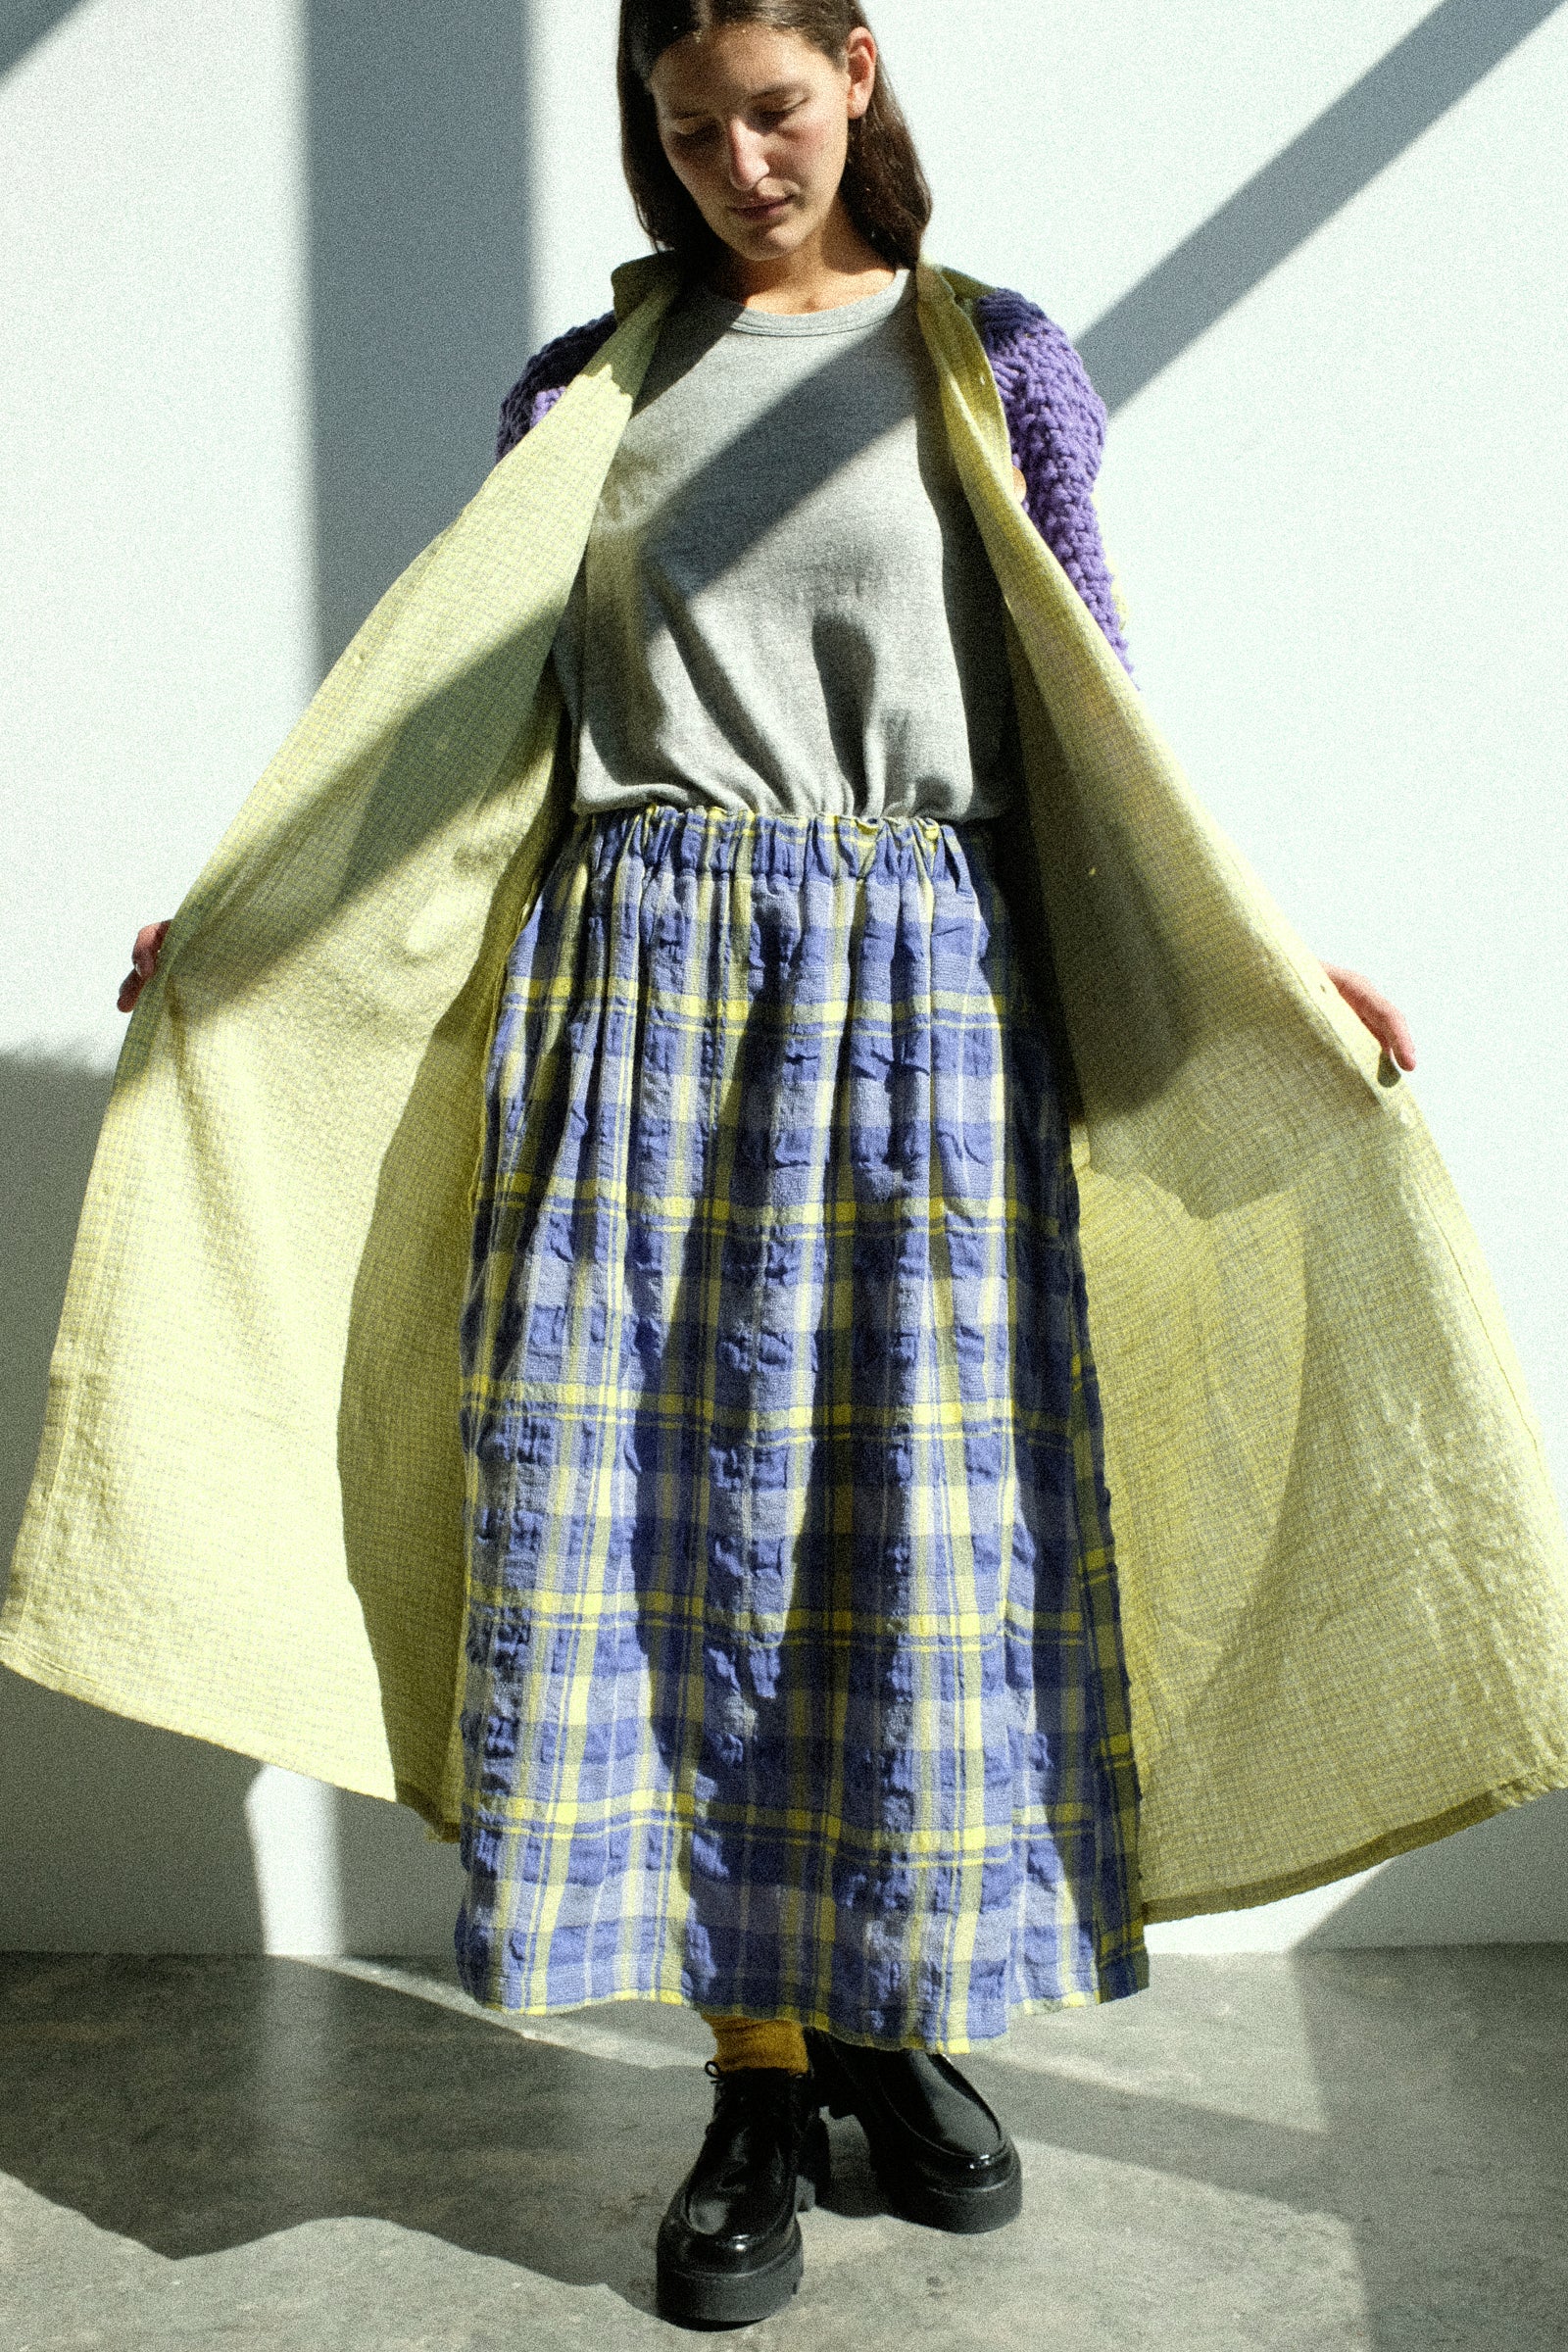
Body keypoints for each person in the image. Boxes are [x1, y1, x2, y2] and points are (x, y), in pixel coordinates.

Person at [32, 0, 1560, 2335]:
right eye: (687, 129)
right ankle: (752, 2082)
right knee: (664, 1541)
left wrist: (1264, 966)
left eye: (770, 109)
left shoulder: (997, 362)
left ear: (855, 72)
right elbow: (458, 736)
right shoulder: (589, 391)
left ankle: (881, 2018)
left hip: (924, 1018)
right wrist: (250, 929)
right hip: (639, 1013)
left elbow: (1089, 710)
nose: (738, 163)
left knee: (906, 1537)